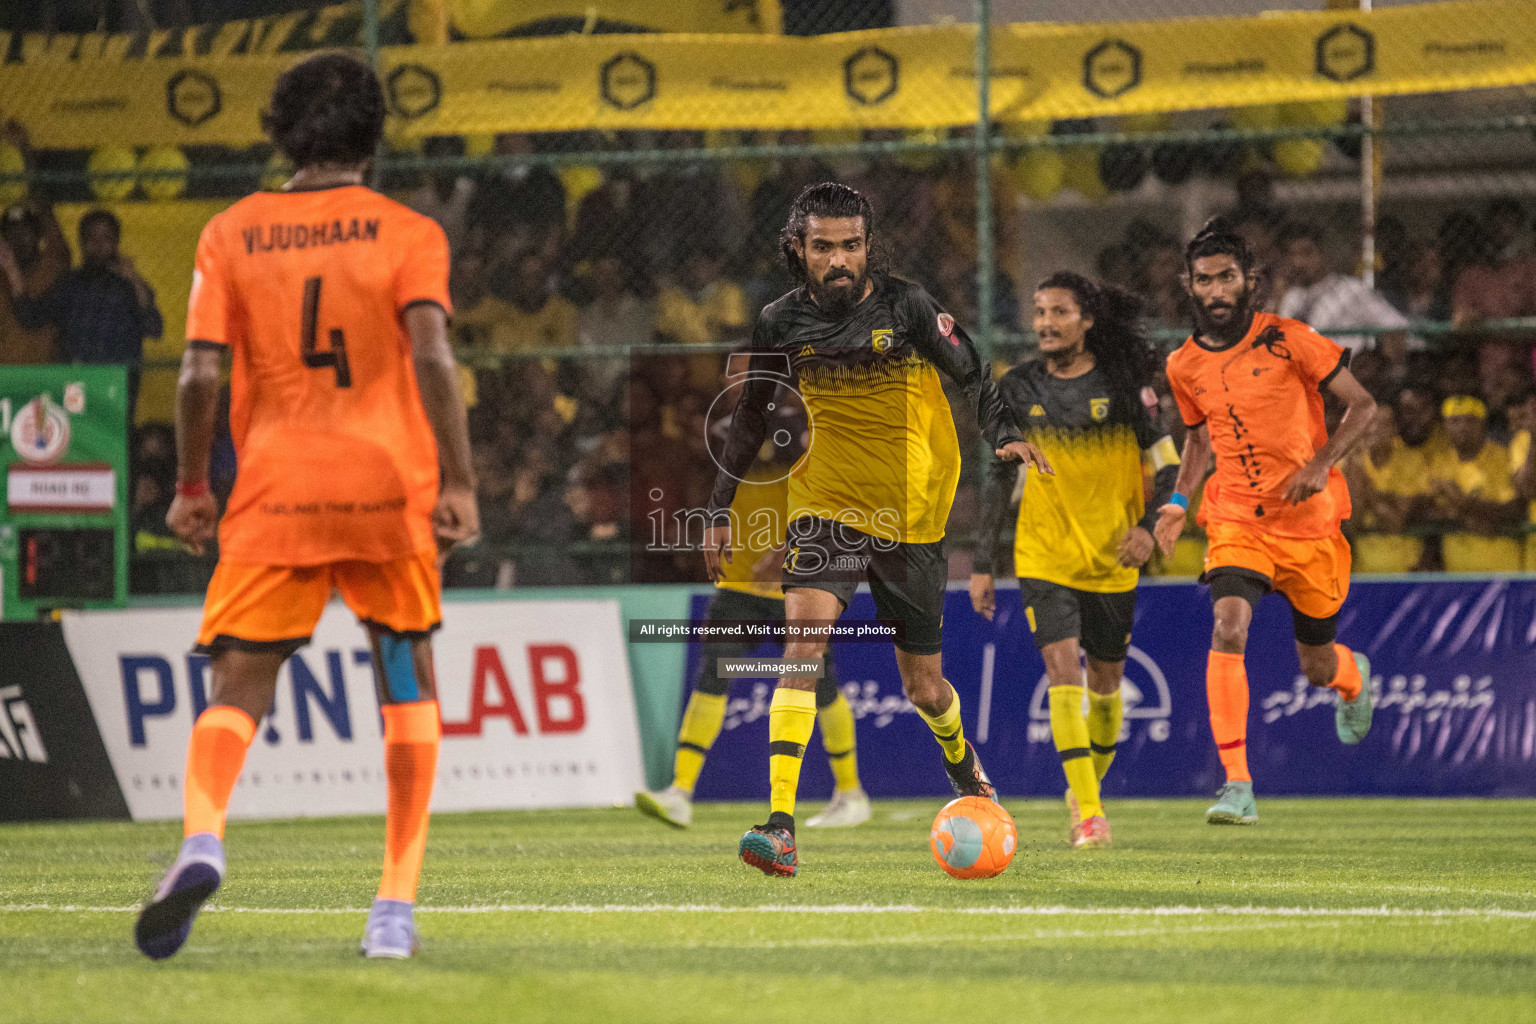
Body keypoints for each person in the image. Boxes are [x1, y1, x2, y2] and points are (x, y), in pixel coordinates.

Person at [133, 53, 478, 962]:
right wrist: (461, 480)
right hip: (385, 491)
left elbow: (199, 370)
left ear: (278, 132)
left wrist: (193, 487)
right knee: (406, 680)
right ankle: (393, 910)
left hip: (276, 492)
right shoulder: (410, 232)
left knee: (237, 687)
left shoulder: (230, 232)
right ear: (375, 136)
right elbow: (434, 357)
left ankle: (203, 838)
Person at [702, 182, 1050, 877]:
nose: (839, 260)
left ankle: (963, 766)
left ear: (868, 247)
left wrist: (1004, 434)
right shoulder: (779, 321)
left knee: (925, 689)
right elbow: (750, 418)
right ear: (798, 249)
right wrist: (718, 509)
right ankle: (780, 826)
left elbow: (976, 375)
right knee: (802, 646)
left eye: (851, 246)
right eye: (824, 246)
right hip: (824, 509)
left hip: (912, 518)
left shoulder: (910, 306)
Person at [1154, 217, 1377, 827]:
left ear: (1249, 281)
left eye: (1227, 277)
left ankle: (1355, 679)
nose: (1217, 290)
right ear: (1190, 286)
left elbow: (1364, 405)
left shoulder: (1289, 338)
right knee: (1229, 625)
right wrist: (1177, 504)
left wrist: (1322, 462)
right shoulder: (1183, 364)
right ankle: (1237, 786)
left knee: (1317, 667)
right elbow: (1198, 441)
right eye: (1205, 280)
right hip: (1236, 520)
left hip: (1310, 525)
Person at [971, 272, 1178, 850]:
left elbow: (1167, 464)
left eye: (1059, 312)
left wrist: (1148, 525)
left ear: (1087, 320)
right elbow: (997, 474)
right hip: (1044, 556)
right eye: (1039, 312)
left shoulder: (1125, 386)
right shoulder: (1017, 386)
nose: (1045, 323)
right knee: (1063, 675)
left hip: (1113, 556)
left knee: (1106, 690)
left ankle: (1084, 791)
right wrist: (984, 561)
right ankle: (1089, 814)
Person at [636, 354, 869, 830]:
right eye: (730, 372)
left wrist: (788, 543)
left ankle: (851, 793)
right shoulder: (724, 429)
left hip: (798, 581)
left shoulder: (799, 426)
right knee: (713, 673)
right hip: (740, 581)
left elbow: (826, 493)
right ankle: (680, 791)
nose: (731, 379)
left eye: (743, 372)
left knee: (819, 685)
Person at [0, 206, 162, 417]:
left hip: (116, 385)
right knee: (77, 444)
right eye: (91, 238)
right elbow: (31, 317)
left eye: (106, 238)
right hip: (76, 383)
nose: (98, 245)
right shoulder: (70, 285)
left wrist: (134, 279)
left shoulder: (128, 285)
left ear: (116, 242)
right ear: (82, 241)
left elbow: (154, 328)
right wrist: (12, 270)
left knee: (113, 447)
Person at [1276, 220, 1412, 363]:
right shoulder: (1290, 297)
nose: (1299, 263)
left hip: (1346, 372)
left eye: (1307, 253)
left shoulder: (1350, 288)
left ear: (1323, 254)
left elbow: (1395, 325)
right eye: (1292, 255)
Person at [1428, 395, 1522, 572]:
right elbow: (1432, 511)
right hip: (1456, 575)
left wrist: (1463, 503)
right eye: (1455, 421)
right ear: (1445, 426)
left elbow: (1515, 508)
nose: (1463, 427)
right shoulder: (1439, 463)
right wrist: (1468, 519)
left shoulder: (1503, 458)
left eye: (1470, 421)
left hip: (1503, 570)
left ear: (1483, 424)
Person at [1342, 402, 1431, 573]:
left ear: (1394, 429)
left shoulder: (1413, 462)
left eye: (1382, 424)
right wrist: (1384, 498)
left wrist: (1365, 489)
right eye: (1368, 423)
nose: (1374, 429)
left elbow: (1395, 523)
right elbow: (1352, 523)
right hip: (1362, 573)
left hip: (1405, 569)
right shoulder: (1348, 464)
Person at [0, 200, 68, 364]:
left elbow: (59, 246)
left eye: (25, 232)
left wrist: (40, 204)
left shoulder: (51, 267)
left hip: (46, 376)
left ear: (38, 235)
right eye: (12, 234)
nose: (19, 240)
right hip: (5, 377)